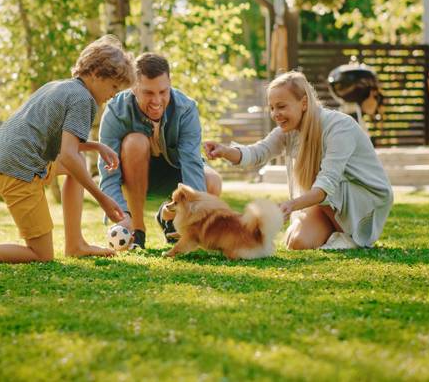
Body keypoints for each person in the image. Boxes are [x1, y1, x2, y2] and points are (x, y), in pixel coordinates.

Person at [0, 35, 135, 266]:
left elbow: (58, 142)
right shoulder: (84, 100)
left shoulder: (61, 87)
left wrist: (95, 145)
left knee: (78, 164)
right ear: (95, 74)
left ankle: (76, 244)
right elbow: (67, 155)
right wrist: (102, 198)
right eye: (114, 86)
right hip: (17, 168)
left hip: (4, 157)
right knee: (41, 254)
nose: (114, 94)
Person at [204, 71, 393, 250]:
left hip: (362, 197)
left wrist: (291, 205)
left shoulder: (339, 127)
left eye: (281, 106)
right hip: (327, 202)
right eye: (271, 107)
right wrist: (225, 151)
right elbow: (258, 152)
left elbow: (326, 185)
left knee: (322, 191)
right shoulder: (289, 131)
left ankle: (352, 237)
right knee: (297, 242)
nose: (275, 114)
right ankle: (335, 234)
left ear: (303, 103)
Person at [98, 53, 222, 249]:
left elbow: (191, 163)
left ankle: (169, 219)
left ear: (170, 84)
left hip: (174, 173)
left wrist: (193, 220)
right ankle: (137, 232)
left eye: (163, 92)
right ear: (133, 87)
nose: (157, 101)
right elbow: (108, 172)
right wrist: (122, 215)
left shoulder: (186, 108)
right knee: (135, 142)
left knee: (212, 181)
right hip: (132, 178)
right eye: (148, 93)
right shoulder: (115, 110)